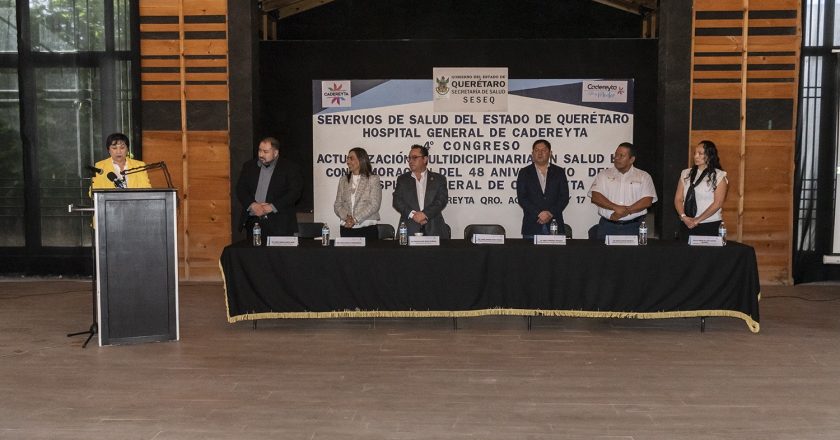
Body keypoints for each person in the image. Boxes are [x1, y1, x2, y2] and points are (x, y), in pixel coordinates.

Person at [236, 136, 303, 238]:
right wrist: (252, 205)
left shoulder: (290, 168)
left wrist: (271, 207)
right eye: (259, 150)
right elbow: (240, 189)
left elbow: (294, 193)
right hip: (254, 222)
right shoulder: (249, 166)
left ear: (275, 153)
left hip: (280, 223)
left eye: (265, 152)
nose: (261, 154)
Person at [588, 142, 658, 239]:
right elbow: (595, 197)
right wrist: (615, 207)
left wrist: (626, 211)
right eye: (616, 155)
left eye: (621, 156)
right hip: (607, 226)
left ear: (632, 159)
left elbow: (647, 201)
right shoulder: (604, 174)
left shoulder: (643, 176)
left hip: (633, 227)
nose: (617, 158)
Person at [674, 140, 728, 241]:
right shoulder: (686, 173)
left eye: (700, 153)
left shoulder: (719, 175)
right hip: (686, 223)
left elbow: (718, 203)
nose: (696, 156)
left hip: (709, 224)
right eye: (695, 153)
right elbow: (678, 198)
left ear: (710, 155)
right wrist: (683, 217)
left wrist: (697, 220)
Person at [392, 144, 450, 238]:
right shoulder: (402, 179)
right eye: (409, 158)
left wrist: (425, 214)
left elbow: (441, 201)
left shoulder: (439, 179)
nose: (411, 161)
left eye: (415, 157)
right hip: (409, 228)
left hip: (434, 228)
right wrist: (413, 215)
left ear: (425, 159)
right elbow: (397, 201)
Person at [516, 139, 569, 237]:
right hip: (532, 225)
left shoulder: (559, 172)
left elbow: (564, 197)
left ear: (550, 153)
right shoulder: (524, 172)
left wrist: (550, 213)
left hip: (555, 224)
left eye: (543, 150)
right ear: (532, 153)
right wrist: (539, 213)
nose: (540, 153)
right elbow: (522, 198)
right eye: (536, 150)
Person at [333, 147, 382, 240]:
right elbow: (337, 205)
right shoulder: (343, 180)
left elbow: (374, 204)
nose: (348, 161)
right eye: (347, 158)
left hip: (367, 230)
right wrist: (347, 218)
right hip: (346, 229)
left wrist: (355, 219)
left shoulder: (373, 179)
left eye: (351, 158)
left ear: (361, 160)